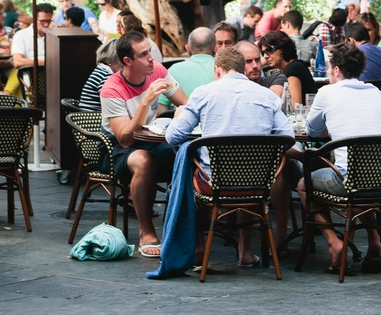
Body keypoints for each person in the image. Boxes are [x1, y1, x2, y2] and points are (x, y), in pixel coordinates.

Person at [167, 45, 292, 266]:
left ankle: (197, 247)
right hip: (258, 184)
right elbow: (287, 137)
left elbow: (173, 137)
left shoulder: (203, 93)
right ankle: (244, 250)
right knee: (245, 170)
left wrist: (178, 115)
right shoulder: (268, 96)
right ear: (243, 70)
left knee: (187, 169)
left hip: (214, 185)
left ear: (217, 70)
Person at [298, 41, 381, 273]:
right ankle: (374, 240)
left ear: (337, 69)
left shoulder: (327, 92)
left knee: (304, 184)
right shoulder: (377, 92)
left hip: (347, 180)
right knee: (361, 181)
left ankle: (333, 242)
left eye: (330, 68)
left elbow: (311, 131)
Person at [100, 31, 188, 258]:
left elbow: (186, 104)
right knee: (144, 160)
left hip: (150, 139)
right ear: (128, 61)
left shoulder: (157, 70)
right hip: (116, 148)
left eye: (150, 51)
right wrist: (146, 101)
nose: (152, 58)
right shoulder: (112, 88)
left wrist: (182, 114)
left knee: (188, 152)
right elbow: (125, 138)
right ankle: (146, 231)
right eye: (144, 54)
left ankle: (186, 227)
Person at [11, 4, 55, 101]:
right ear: (34, 19)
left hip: (53, 77)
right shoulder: (21, 35)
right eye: (43, 21)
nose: (46, 24)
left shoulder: (54, 35)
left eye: (49, 21)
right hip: (31, 78)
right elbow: (17, 61)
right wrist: (46, 62)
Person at [163, 27, 217, 105]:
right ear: (215, 48)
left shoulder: (174, 70)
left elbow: (160, 108)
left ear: (187, 48)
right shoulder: (224, 69)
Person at [256, 32, 304, 102]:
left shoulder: (292, 68)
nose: (265, 56)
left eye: (269, 50)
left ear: (282, 48)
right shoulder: (292, 66)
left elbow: (294, 106)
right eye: (263, 53)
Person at [80, 39, 122, 112]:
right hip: (94, 119)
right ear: (109, 60)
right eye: (122, 59)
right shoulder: (107, 74)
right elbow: (111, 101)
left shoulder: (101, 69)